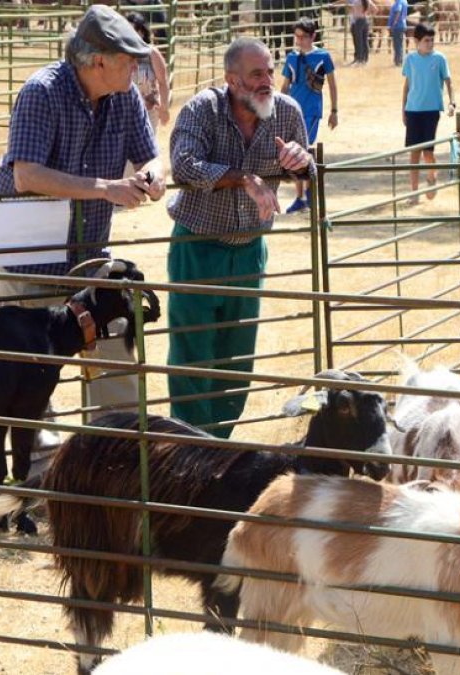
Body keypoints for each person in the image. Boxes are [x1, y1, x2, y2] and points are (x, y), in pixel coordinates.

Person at [0, 5, 165, 428]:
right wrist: (107, 188)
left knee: (115, 354)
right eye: (129, 59)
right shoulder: (42, 91)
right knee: (27, 371)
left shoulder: (124, 98)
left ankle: (116, 461)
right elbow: (26, 174)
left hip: (89, 253)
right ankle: (32, 481)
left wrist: (153, 175)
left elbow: (153, 154)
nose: (137, 67)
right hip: (28, 252)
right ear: (99, 60)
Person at [166, 37, 313, 434]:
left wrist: (301, 163)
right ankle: (190, 449)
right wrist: (244, 178)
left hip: (249, 249)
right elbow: (183, 165)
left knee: (237, 356)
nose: (267, 81)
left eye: (269, 71)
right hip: (197, 245)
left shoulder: (287, 112)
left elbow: (308, 169)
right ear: (232, 81)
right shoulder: (202, 110)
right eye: (256, 75)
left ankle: (220, 445)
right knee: (192, 352)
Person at [280, 18, 338, 214]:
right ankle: (300, 197)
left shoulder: (323, 56)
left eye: (303, 36)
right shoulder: (291, 58)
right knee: (293, 153)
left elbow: (332, 84)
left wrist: (334, 111)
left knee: (303, 149)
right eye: (296, 36)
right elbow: (285, 85)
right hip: (293, 112)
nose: (299, 40)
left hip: (312, 111)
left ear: (313, 36)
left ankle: (310, 193)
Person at [401, 23, 455, 204]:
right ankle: (414, 192)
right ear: (416, 41)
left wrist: (451, 102)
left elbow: (448, 81)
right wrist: (403, 108)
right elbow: (407, 85)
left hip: (431, 110)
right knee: (414, 152)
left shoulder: (440, 59)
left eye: (432, 40)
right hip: (413, 110)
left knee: (428, 152)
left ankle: (432, 176)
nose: (430, 43)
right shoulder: (410, 59)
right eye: (426, 40)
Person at [125, 12, 171, 129]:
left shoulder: (151, 53)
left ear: (141, 32)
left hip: (148, 110)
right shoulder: (121, 53)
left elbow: (163, 82)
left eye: (132, 31)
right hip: (126, 110)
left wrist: (164, 108)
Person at [348, 0, 373, 65]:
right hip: (365, 20)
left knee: (359, 41)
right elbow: (376, 9)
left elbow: (352, 11)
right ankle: (365, 59)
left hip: (358, 21)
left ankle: (360, 59)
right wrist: (370, 15)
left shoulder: (356, 2)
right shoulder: (367, 1)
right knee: (365, 41)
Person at [387, 0, 409, 66]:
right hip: (402, 25)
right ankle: (399, 60)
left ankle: (398, 61)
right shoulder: (404, 1)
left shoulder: (398, 2)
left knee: (397, 45)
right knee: (399, 44)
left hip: (397, 26)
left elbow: (398, 11)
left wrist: (394, 23)